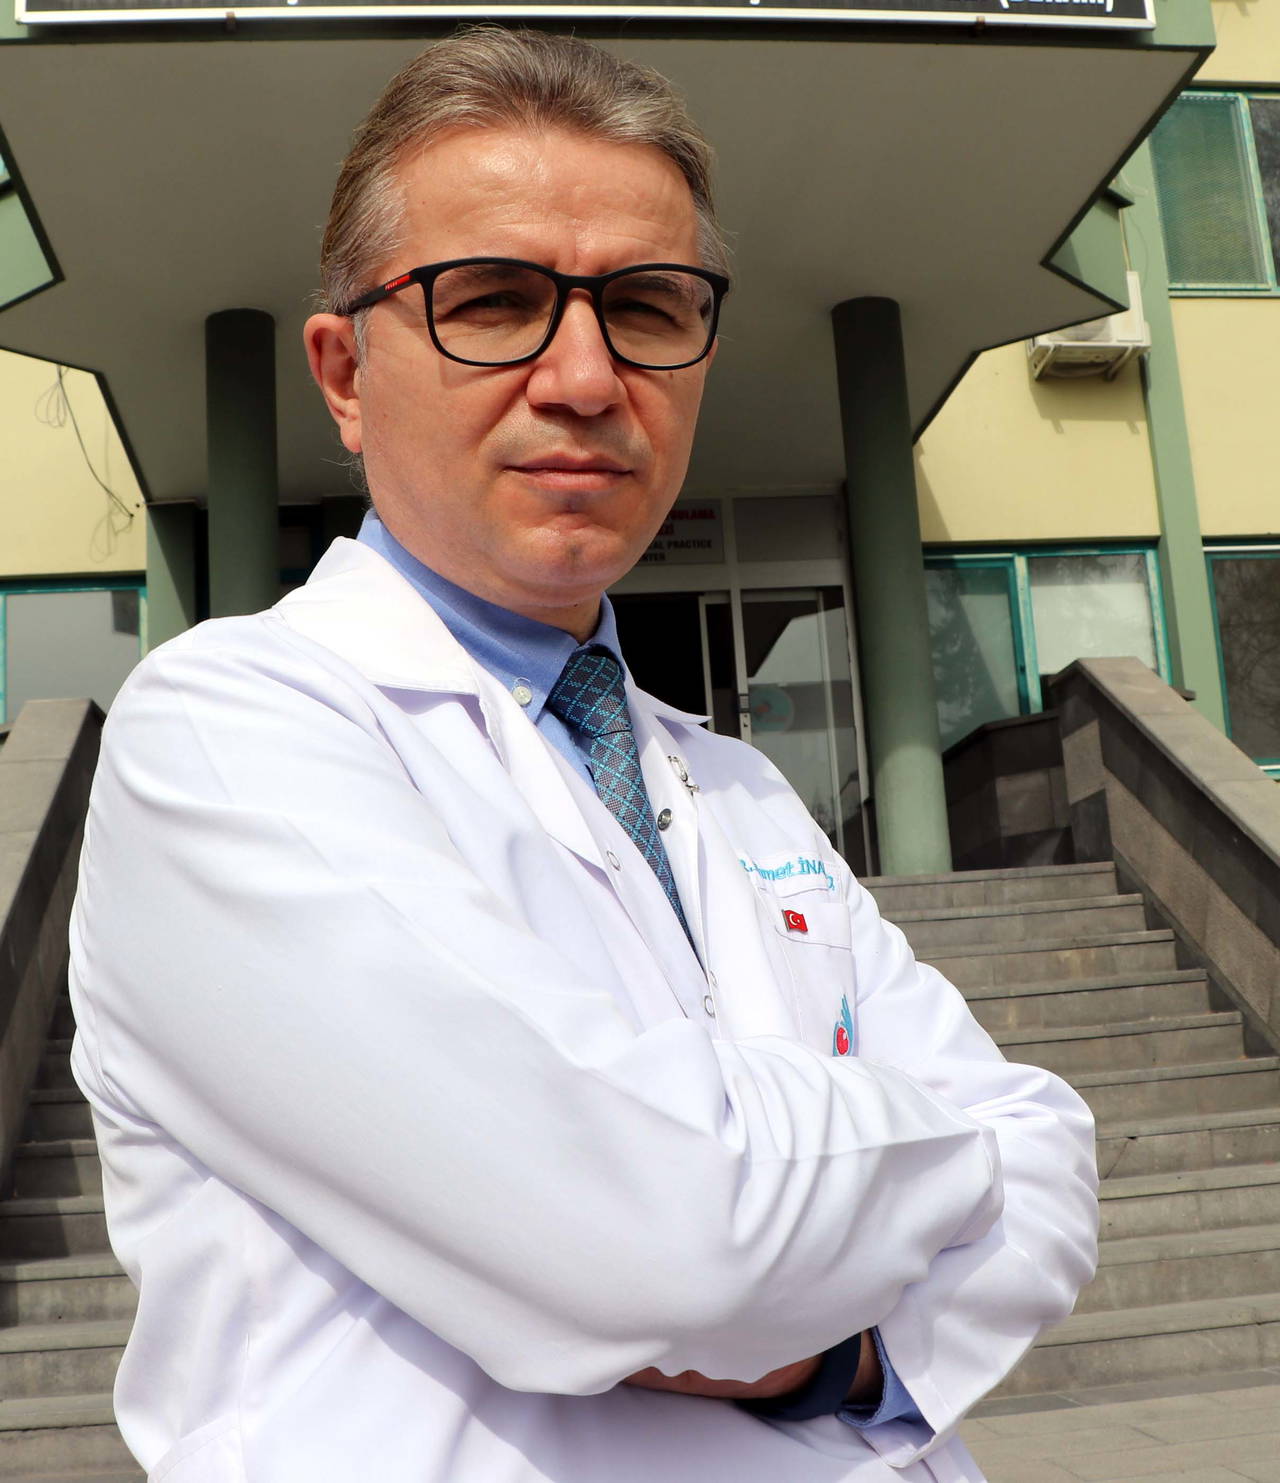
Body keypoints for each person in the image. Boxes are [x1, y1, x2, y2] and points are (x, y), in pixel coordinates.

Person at [69, 27, 1098, 1483]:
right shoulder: (226, 735)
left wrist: (838, 1346)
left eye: (645, 306)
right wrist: (951, 1157)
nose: (585, 376)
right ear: (344, 373)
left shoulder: (735, 785)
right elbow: (662, 1239)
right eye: (492, 302)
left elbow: (1053, 1152)